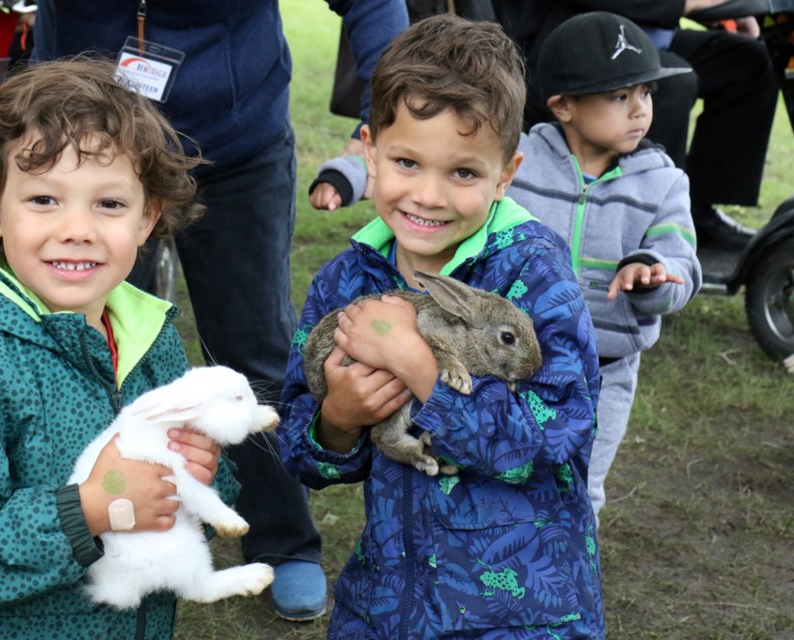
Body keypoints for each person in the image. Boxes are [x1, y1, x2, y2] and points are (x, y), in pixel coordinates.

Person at [30, 0, 409, 621]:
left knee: (251, 342)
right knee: (81, 345)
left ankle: (284, 540)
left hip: (234, 148)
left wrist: (385, 117)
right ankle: (83, 541)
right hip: (84, 152)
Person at [0, 58, 234, 639]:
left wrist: (205, 471)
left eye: (110, 204)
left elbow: (179, 492)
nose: (77, 228)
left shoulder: (152, 344)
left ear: (148, 218)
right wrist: (90, 509)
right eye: (44, 200)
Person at [282, 15, 604, 638]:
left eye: (462, 173)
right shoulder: (345, 281)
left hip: (522, 613)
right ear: (369, 150)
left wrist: (423, 372)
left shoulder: (534, 274)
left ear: (505, 173)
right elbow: (304, 450)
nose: (427, 196)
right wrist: (339, 421)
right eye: (406, 162)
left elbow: (557, 439)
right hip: (389, 602)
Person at [507, 12, 703, 519]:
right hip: (513, 369)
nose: (640, 110)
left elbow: (681, 265)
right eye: (620, 97)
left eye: (646, 93)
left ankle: (569, 592)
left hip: (605, 375)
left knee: (580, 493)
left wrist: (652, 274)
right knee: (503, 475)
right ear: (564, 106)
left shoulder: (663, 183)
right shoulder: (519, 164)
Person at [491, 0, 779, 251]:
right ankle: (641, 221)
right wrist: (682, 4)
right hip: (572, 43)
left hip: (644, 36)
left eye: (645, 94)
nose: (640, 109)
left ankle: (697, 212)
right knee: (675, 84)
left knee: (747, 63)